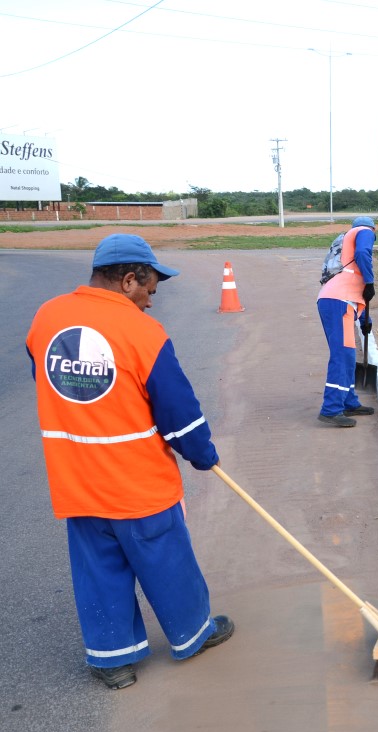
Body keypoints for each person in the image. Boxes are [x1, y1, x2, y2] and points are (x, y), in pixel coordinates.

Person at [25, 233, 233, 690]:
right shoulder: (141, 332)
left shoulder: (47, 318)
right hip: (137, 482)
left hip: (75, 479)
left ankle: (111, 660)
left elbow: (44, 376)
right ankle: (192, 635)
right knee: (167, 559)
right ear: (129, 280)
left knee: (99, 568)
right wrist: (203, 454)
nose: (150, 303)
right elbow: (178, 414)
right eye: (149, 291)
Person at [317, 216, 378, 426]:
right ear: (372, 228)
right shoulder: (365, 232)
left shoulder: (345, 243)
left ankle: (349, 402)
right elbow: (363, 253)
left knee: (348, 355)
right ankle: (331, 409)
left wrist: (365, 320)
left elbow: (354, 291)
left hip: (336, 301)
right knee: (342, 356)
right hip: (338, 302)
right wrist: (370, 281)